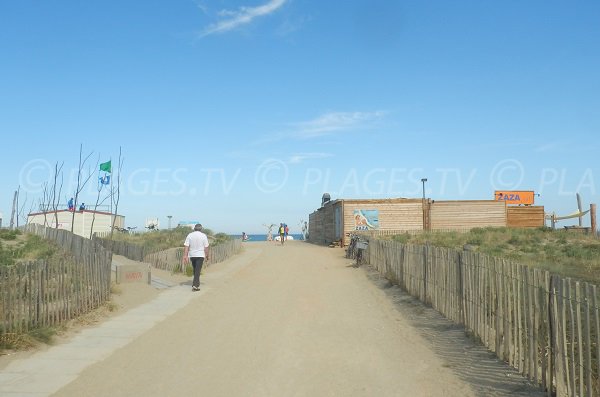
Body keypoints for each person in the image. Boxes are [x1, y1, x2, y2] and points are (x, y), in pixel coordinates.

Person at [183, 224, 210, 291]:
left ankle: (196, 283)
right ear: (201, 229)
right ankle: (195, 286)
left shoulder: (190, 235)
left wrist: (185, 256)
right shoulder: (203, 236)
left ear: (194, 228)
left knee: (195, 269)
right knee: (197, 270)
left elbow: (186, 246)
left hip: (192, 255)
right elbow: (206, 247)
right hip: (200, 255)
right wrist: (207, 255)